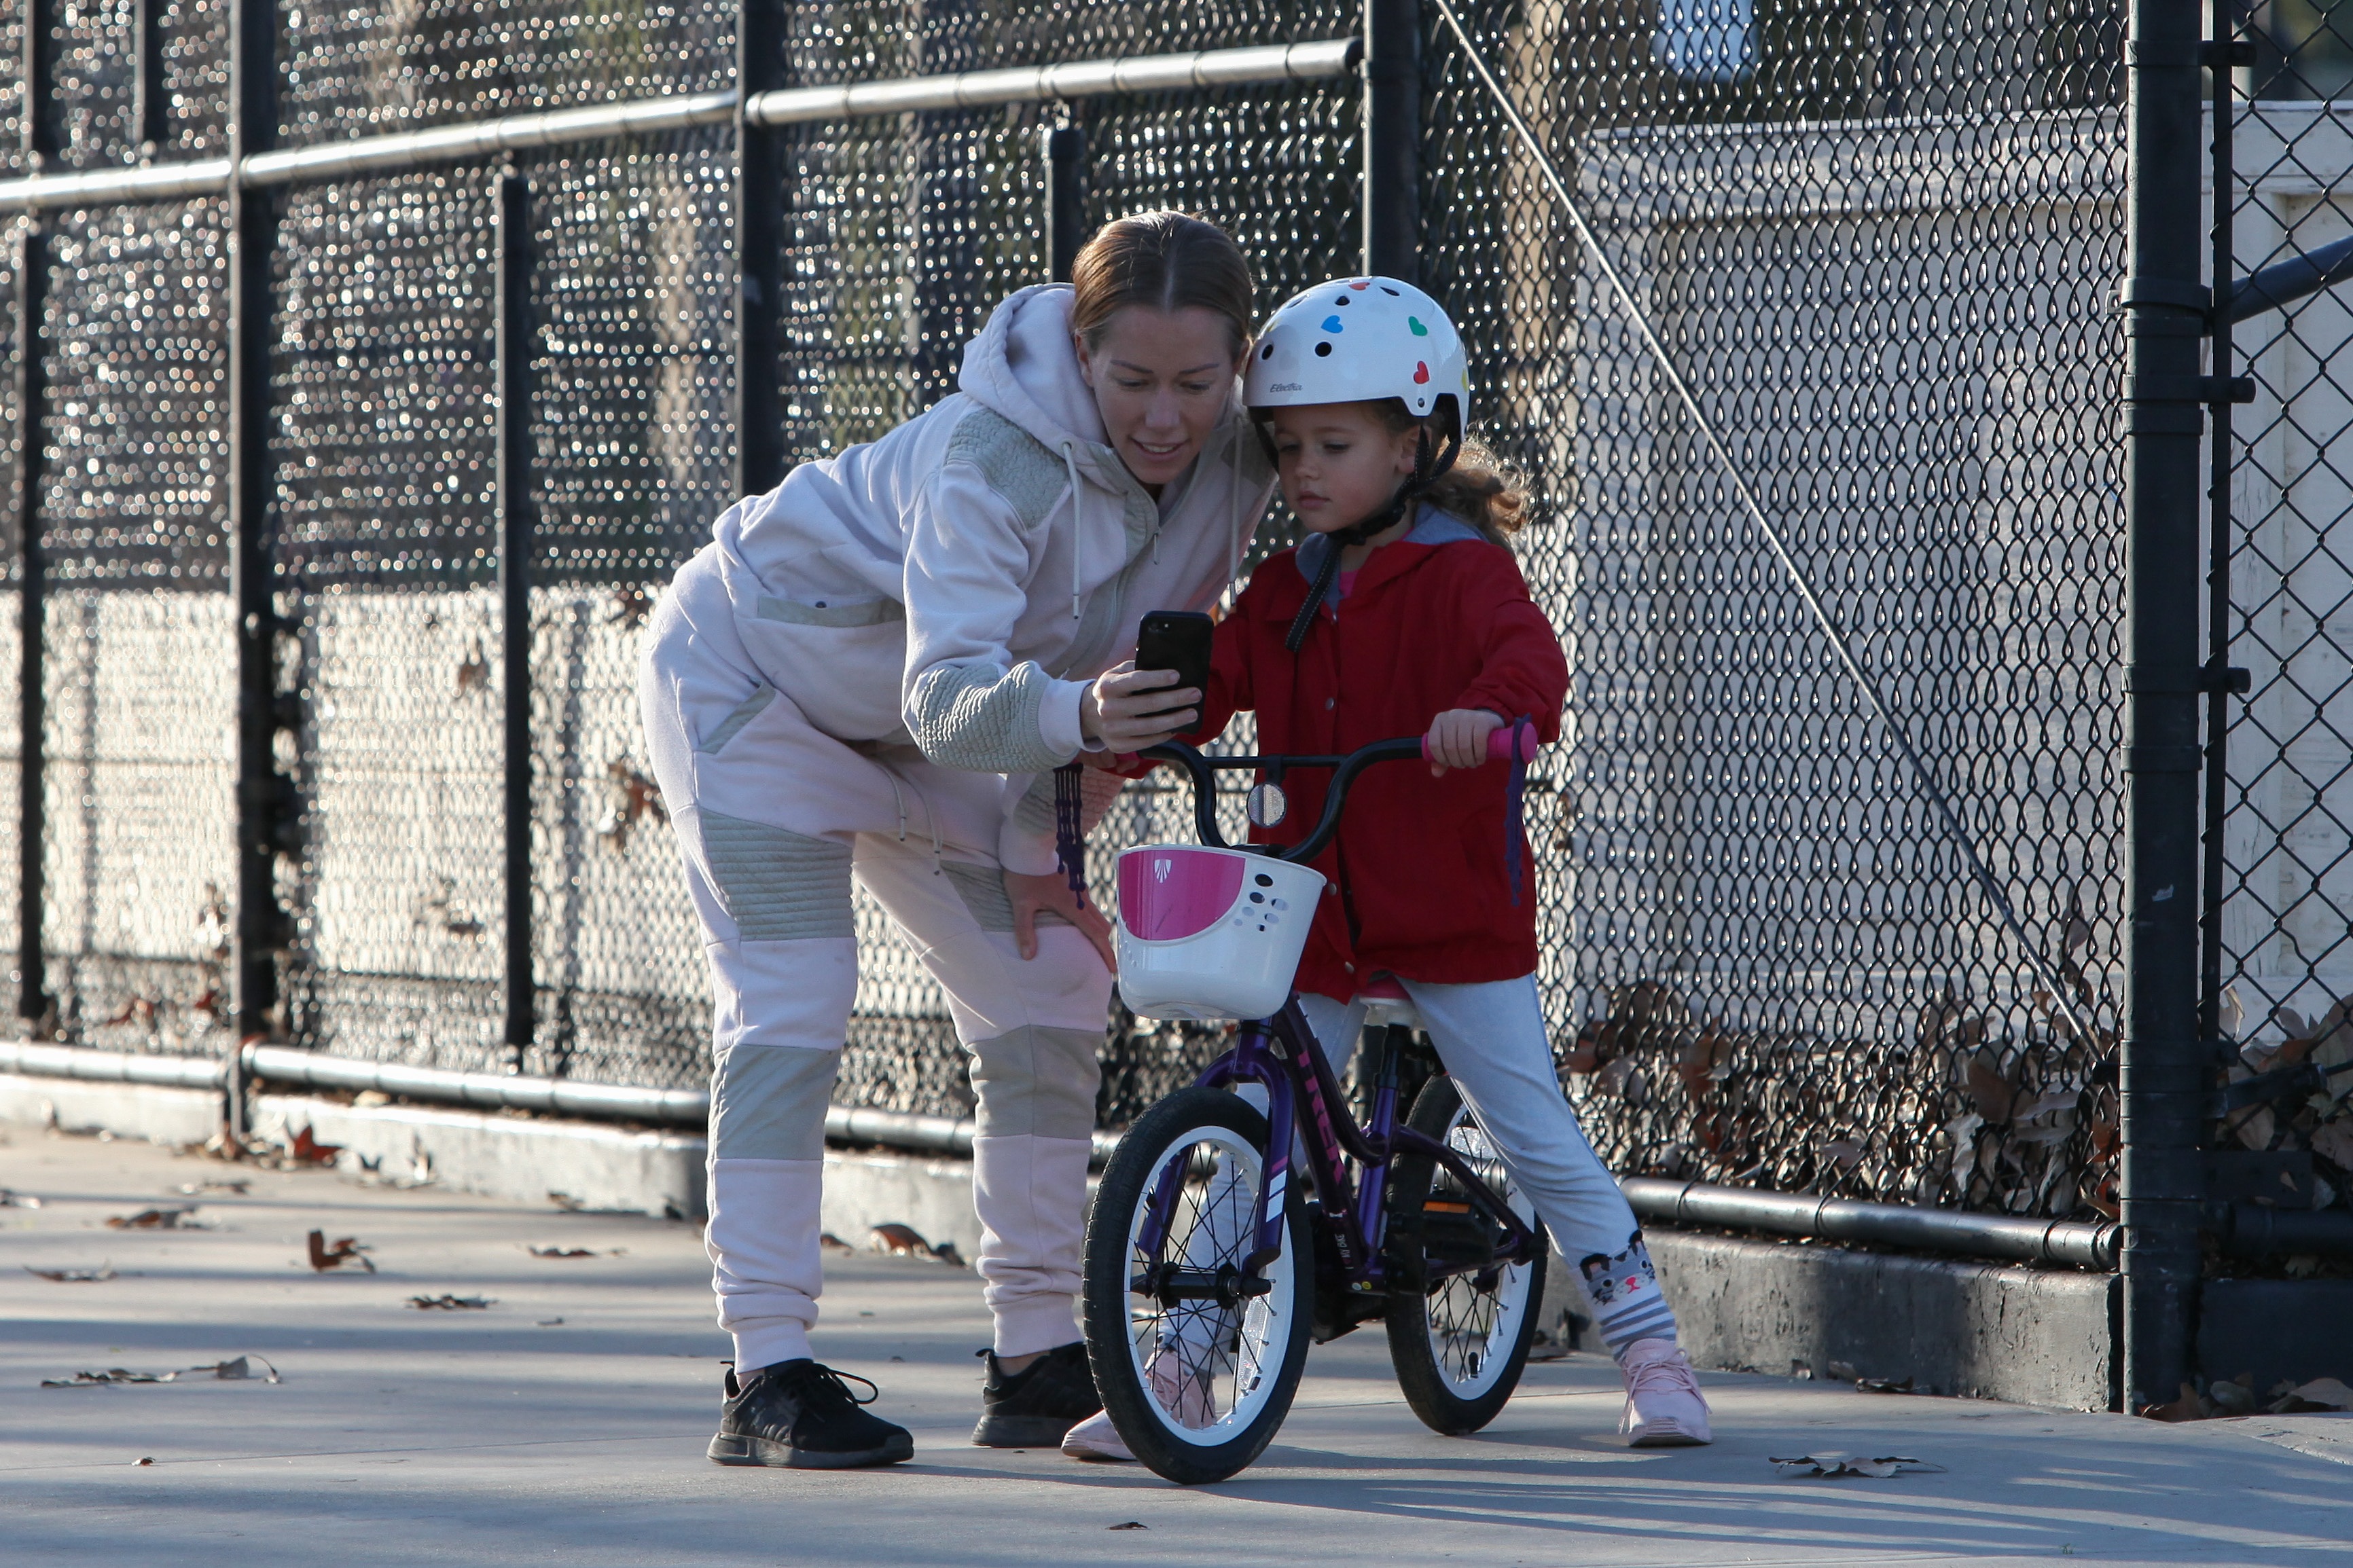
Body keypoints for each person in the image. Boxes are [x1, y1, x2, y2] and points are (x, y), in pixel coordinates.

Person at [637, 211, 1274, 1469]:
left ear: (1240, 364)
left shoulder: (1238, 464)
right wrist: (1075, 719)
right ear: (1082, 356)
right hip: (751, 688)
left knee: (1051, 983)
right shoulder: (998, 457)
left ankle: (1038, 1353)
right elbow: (963, 690)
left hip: (942, 738)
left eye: (1197, 383)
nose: (1164, 417)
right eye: (1132, 380)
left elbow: (1105, 665)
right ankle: (764, 1372)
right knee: (796, 1002)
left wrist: (1044, 841)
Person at [1060, 276, 1711, 1461]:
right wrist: (1152, 718)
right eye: (1290, 446)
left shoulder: (1466, 573)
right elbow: (1221, 684)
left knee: (1533, 1128)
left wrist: (1487, 715)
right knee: (1255, 1114)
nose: (1304, 471)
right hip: (1306, 912)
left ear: (1417, 443)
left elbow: (1529, 665)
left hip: (1449, 913)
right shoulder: (1287, 587)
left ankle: (1651, 1351)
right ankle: (1186, 1369)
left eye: (1336, 445)